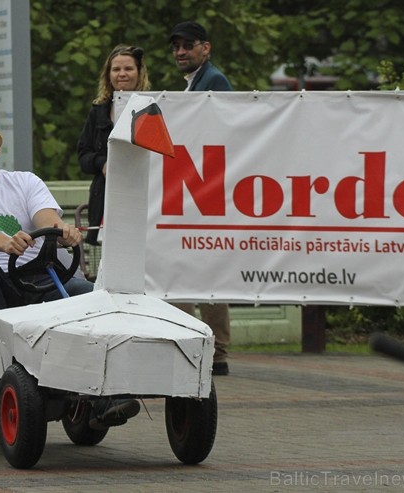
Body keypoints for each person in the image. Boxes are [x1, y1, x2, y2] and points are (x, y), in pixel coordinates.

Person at [0, 111, 139, 427]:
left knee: (92, 295)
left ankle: (107, 393)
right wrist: (3, 243)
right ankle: (5, 352)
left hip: (37, 279)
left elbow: (46, 219)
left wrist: (62, 231)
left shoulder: (26, 182)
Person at [169, 21, 233, 375]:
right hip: (195, 188)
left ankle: (214, 351)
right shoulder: (196, 83)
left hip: (206, 190)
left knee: (205, 272)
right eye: (176, 46)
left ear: (205, 48)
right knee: (196, 271)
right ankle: (204, 348)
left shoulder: (214, 82)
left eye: (187, 45)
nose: (180, 51)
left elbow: (219, 135)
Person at [77, 44, 151, 245]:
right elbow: (83, 156)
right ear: (108, 74)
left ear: (139, 72)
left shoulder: (152, 107)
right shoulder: (98, 110)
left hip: (143, 198)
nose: (122, 74)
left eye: (128, 68)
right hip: (106, 200)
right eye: (116, 69)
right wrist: (102, 164)